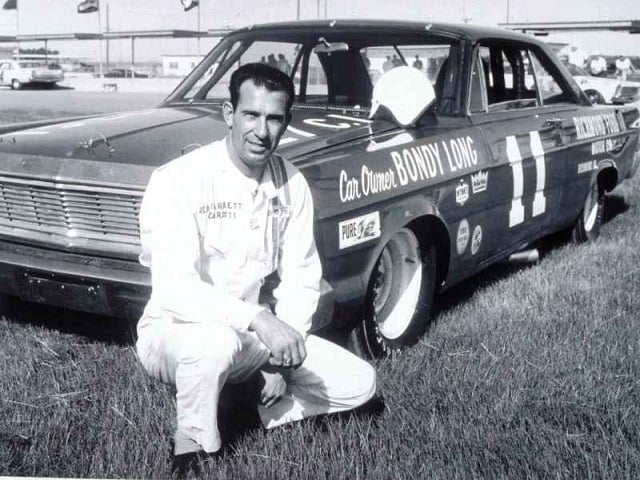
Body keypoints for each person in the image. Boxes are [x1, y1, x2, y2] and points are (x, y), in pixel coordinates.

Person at [135, 63, 377, 473]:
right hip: (175, 333)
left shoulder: (291, 182)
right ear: (229, 114)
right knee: (212, 344)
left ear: (287, 122)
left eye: (274, 118)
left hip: (249, 339)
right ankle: (192, 448)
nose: (261, 131)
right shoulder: (178, 180)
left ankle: (245, 412)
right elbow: (176, 290)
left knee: (361, 383)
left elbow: (302, 277)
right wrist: (259, 319)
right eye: (251, 115)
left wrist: (281, 361)